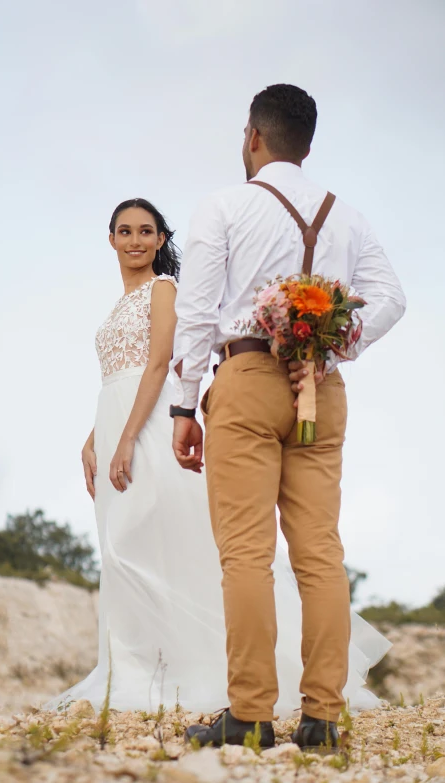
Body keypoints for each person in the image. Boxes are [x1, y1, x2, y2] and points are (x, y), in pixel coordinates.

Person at [45, 195, 392, 731]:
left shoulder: (164, 290)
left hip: (152, 423)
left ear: (162, 240)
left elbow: (160, 364)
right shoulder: (117, 305)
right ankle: (137, 666)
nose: (135, 240)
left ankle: (208, 678)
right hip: (116, 418)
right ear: (110, 239)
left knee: (183, 544)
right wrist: (96, 435)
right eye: (124, 231)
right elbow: (121, 373)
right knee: (123, 547)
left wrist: (131, 436)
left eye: (146, 231)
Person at [170, 83, 406, 751]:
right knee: (320, 552)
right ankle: (323, 716)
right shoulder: (348, 217)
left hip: (245, 379)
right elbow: (392, 297)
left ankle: (248, 714)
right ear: (307, 145)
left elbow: (195, 311)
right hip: (320, 386)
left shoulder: (224, 205)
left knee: (246, 553)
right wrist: (335, 343)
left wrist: (185, 405)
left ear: (253, 136)